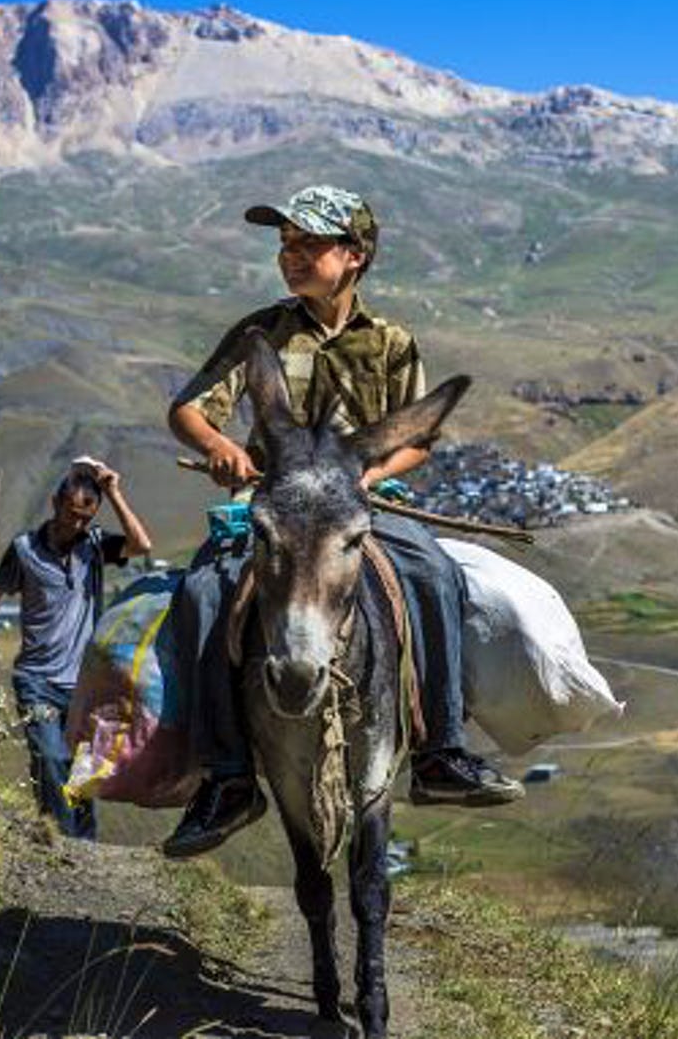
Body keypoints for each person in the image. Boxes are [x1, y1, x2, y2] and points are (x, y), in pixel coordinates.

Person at [161, 184, 522, 860]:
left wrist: (371, 476)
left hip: (359, 509)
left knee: (435, 573)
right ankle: (228, 777)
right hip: (275, 508)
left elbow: (419, 440)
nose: (290, 257)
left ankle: (441, 753)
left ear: (355, 255)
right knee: (204, 592)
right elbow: (189, 410)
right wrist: (223, 449)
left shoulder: (391, 344)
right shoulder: (258, 334)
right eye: (285, 245)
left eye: (308, 244)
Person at [0, 459, 153, 839]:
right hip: (36, 679)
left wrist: (114, 490)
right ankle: (60, 841)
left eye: (87, 518)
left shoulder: (95, 546)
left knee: (81, 769)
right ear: (55, 503)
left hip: (83, 683)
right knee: (50, 758)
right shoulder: (24, 550)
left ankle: (82, 849)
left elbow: (142, 545)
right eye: (72, 515)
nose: (78, 525)